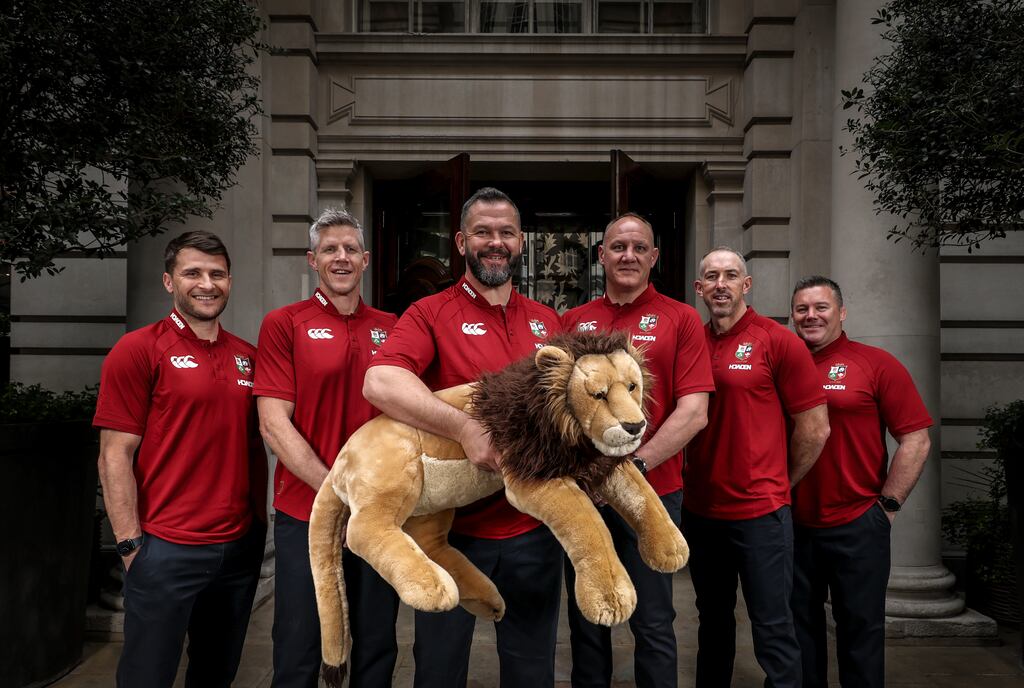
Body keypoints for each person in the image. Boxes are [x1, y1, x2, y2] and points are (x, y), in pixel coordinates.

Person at [363, 187, 563, 688]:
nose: (494, 243)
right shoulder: (430, 313)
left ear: (521, 242)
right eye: (482, 232)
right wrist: (463, 426)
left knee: (532, 668)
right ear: (460, 241)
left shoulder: (547, 321)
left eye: (506, 233)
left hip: (533, 530)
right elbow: (380, 381)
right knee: (437, 669)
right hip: (450, 535)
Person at [94, 231, 268, 688]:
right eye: (193, 273)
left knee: (215, 674)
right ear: (169, 282)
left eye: (217, 274)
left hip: (236, 551)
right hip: (165, 549)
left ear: (230, 281)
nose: (206, 283)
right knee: (147, 677)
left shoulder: (248, 357)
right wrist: (131, 546)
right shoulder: (137, 350)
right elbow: (115, 454)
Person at [560, 213, 714, 688]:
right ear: (601, 254)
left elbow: (693, 411)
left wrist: (635, 468)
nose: (628, 255)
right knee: (589, 615)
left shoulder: (681, 318)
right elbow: (558, 410)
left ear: (654, 256)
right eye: (618, 247)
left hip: (653, 491)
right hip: (585, 495)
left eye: (639, 247)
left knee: (653, 619)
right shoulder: (573, 322)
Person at [254, 209, 399, 688]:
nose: (341, 257)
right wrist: (336, 495)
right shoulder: (284, 323)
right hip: (307, 511)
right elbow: (274, 425)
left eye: (350, 249)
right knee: (300, 646)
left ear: (366, 260)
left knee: (377, 642)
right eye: (330, 250)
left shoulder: (392, 326)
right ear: (312, 259)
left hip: (379, 513)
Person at [684, 247, 830, 688]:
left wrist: (779, 485)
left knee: (773, 626)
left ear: (746, 285)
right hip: (701, 511)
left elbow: (816, 428)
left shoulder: (777, 340)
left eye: (731, 276)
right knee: (712, 623)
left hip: (760, 515)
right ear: (700, 288)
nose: (721, 284)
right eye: (712, 276)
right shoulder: (693, 341)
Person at [789, 275, 932, 688]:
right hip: (792, 525)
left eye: (821, 307)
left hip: (857, 524)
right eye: (802, 309)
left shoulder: (876, 363)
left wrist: (886, 507)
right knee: (798, 636)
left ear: (842, 313)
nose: (811, 315)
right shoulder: (783, 364)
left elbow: (916, 440)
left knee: (861, 634)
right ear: (793, 317)